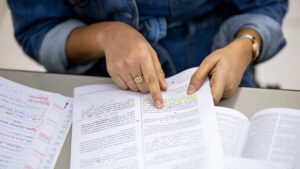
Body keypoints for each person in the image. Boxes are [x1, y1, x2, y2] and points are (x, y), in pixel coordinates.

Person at [8, 0, 288, 108]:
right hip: (97, 86)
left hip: (216, 76)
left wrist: (245, 46)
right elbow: (38, 29)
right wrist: (104, 36)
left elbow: (266, 5)